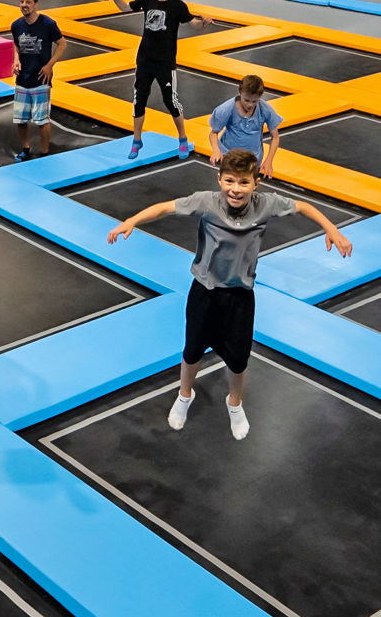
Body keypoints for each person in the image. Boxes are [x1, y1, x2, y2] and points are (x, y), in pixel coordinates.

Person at [107, 149, 351, 440]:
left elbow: (303, 207)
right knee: (192, 351)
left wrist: (332, 229)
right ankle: (185, 395)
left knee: (238, 359)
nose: (236, 189)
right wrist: (131, 220)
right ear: (219, 179)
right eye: (230, 181)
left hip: (240, 296)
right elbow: (164, 208)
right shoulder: (206, 202)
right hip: (204, 292)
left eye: (244, 182)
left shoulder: (266, 205)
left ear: (256, 183)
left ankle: (234, 403)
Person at [103, 0, 212, 160]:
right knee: (139, 100)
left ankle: (182, 138)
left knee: (170, 101)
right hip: (144, 60)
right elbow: (125, 7)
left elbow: (192, 23)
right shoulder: (148, 0)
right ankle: (136, 140)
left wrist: (203, 23)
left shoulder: (178, 6)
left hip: (165, 62)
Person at [9, 0, 66, 161]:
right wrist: (16, 59)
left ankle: (44, 152)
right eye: (22, 2)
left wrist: (50, 65)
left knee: (42, 120)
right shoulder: (16, 25)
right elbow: (16, 44)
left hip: (41, 79)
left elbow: (62, 44)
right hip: (22, 79)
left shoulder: (48, 24)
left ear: (35, 4)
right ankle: (25, 149)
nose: (24, 5)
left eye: (28, 2)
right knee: (20, 119)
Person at [209, 74, 281, 179]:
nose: (250, 105)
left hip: (253, 159)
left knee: (248, 187)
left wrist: (269, 160)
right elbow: (213, 133)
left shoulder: (265, 109)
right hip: (228, 156)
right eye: (246, 100)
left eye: (254, 101)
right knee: (229, 186)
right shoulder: (226, 109)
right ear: (239, 93)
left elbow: (275, 137)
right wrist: (216, 150)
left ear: (260, 98)